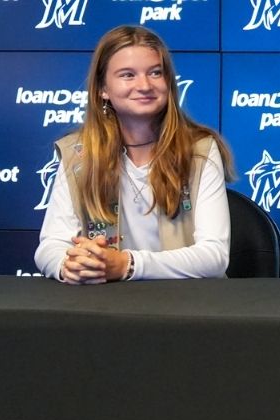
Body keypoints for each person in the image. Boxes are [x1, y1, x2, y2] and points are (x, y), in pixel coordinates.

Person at [35, 25, 236, 284]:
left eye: (155, 73)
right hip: (107, 308)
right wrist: (71, 265)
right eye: (127, 75)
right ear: (102, 89)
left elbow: (214, 256)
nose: (144, 85)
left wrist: (127, 265)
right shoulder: (79, 154)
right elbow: (50, 245)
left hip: (190, 307)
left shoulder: (199, 150)